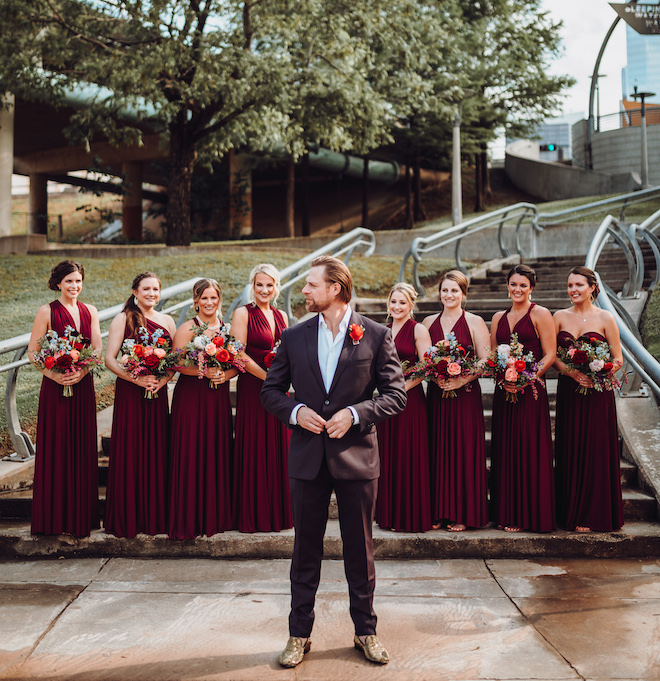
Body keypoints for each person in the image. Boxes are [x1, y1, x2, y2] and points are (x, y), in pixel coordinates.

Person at [261, 255, 406, 668]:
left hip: (356, 459)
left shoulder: (376, 335)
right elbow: (270, 391)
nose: (304, 291)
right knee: (304, 549)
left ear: (334, 289)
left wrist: (356, 414)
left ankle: (366, 631)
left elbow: (396, 395)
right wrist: (295, 411)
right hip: (307, 459)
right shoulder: (294, 335)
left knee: (360, 550)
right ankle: (298, 635)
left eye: (310, 285)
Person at [28, 260, 102, 537]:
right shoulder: (46, 311)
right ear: (58, 283)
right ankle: (54, 519)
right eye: (69, 281)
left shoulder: (90, 311)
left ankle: (82, 517)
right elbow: (33, 352)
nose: (74, 286)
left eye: (78, 281)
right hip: (54, 387)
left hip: (82, 386)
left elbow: (96, 348)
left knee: (82, 446)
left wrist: (81, 373)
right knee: (58, 446)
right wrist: (54, 375)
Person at [104, 272, 176, 538]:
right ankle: (129, 518)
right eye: (146, 289)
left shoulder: (167, 320)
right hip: (131, 395)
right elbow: (110, 359)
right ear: (135, 291)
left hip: (157, 393)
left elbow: (174, 361)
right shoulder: (123, 318)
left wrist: (162, 379)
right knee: (132, 451)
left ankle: (155, 517)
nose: (152, 294)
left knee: (157, 450)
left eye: (156, 289)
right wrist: (137, 379)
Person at [553, 266, 624, 532]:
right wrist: (572, 373)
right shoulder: (558, 317)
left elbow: (617, 358)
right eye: (570, 285)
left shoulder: (606, 317)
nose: (573, 290)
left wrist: (600, 370)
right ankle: (570, 511)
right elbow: (555, 357)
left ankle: (594, 514)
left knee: (595, 449)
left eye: (579, 285)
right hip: (570, 391)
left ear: (592, 287)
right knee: (570, 446)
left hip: (597, 393)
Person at [489, 264, 556, 533]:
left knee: (529, 447)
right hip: (504, 391)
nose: (517, 289)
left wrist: (526, 378)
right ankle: (507, 512)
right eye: (513, 284)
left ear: (531, 288)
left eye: (523, 285)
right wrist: (503, 379)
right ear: (507, 285)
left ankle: (530, 514)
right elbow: (494, 356)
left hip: (531, 391)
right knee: (505, 449)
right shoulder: (497, 317)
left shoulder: (540, 314)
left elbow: (550, 354)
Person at [423, 271, 490, 532]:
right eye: (444, 290)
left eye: (454, 290)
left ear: (464, 293)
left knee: (463, 451)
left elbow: (486, 360)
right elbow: (424, 359)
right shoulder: (429, 322)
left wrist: (462, 379)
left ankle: (462, 512)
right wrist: (434, 375)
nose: (449, 295)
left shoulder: (474, 322)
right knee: (437, 450)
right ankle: (439, 511)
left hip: (465, 396)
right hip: (438, 395)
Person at [168, 278, 234, 539]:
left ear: (219, 299)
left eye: (213, 297)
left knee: (216, 449)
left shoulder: (227, 329)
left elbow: (236, 361)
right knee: (191, 450)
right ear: (195, 301)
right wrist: (202, 370)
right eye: (204, 298)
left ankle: (215, 515)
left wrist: (225, 374)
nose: (209, 302)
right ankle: (189, 516)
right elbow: (176, 362)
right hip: (192, 396)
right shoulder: (187, 328)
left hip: (217, 396)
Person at [231, 264, 292, 533]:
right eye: (259, 285)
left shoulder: (282, 316)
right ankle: (254, 514)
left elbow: (289, 353)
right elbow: (237, 353)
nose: (264, 290)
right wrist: (267, 377)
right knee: (255, 445)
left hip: (279, 390)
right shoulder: (243, 313)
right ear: (252, 286)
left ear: (277, 287)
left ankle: (279, 513)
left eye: (270, 285)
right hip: (253, 388)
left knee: (280, 446)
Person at [375, 282, 432, 532]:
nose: (397, 306)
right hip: (385, 403)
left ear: (411, 305)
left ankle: (410, 516)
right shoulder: (381, 330)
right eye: (393, 301)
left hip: (411, 401)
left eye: (402, 302)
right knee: (388, 455)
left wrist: (401, 388)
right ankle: (388, 515)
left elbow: (427, 367)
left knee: (409, 455)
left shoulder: (418, 330)